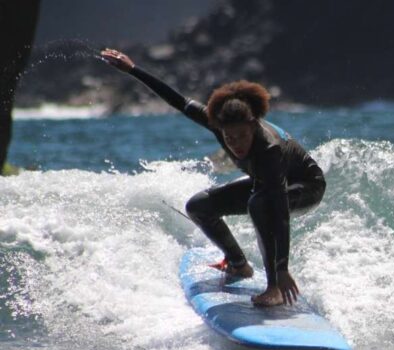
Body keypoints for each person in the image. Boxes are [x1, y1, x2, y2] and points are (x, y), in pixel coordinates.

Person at [100, 48, 325, 307]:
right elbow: (179, 101)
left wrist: (282, 269)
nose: (236, 144)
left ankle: (273, 287)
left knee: (260, 204)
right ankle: (239, 265)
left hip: (306, 186)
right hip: (267, 184)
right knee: (199, 206)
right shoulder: (217, 124)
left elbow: (280, 213)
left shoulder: (270, 150)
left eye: (242, 136)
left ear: (253, 125)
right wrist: (133, 70)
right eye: (229, 138)